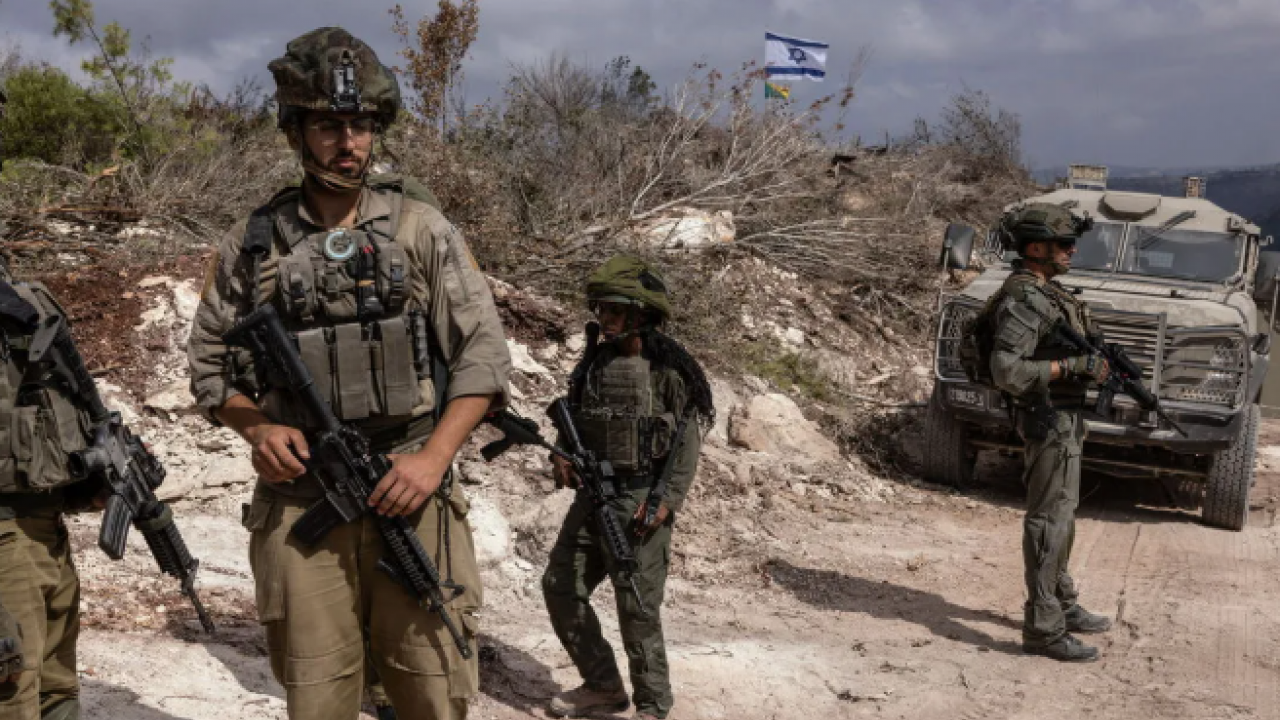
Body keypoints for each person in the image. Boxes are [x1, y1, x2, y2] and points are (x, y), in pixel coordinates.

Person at [186, 27, 511, 720]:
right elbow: (210, 369)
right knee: (319, 695)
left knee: (433, 687)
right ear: (296, 131)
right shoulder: (253, 243)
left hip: (409, 494)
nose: (348, 141)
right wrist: (257, 428)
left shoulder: (424, 230)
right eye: (329, 124)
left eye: (360, 124)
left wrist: (432, 458)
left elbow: (484, 358)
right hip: (303, 500)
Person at [542, 257, 714, 720]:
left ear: (641, 315)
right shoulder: (593, 365)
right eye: (602, 309)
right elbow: (576, 419)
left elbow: (685, 446)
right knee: (560, 586)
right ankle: (602, 686)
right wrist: (561, 453)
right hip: (592, 495)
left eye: (615, 311)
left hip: (640, 501)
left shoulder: (669, 372)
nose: (606, 319)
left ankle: (653, 705)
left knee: (637, 607)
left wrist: (664, 501)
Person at [989, 203, 1115, 662]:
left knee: (1063, 513)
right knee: (1047, 520)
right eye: (1063, 243)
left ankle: (1061, 599)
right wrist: (1072, 366)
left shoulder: (1049, 294)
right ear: (1035, 247)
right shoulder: (1024, 297)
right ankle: (1043, 627)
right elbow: (1006, 370)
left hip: (1062, 420)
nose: (1071, 250)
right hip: (1046, 420)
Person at [0, 262, 101, 720]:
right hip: (5, 538)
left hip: (43, 524)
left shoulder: (25, 298)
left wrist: (88, 480)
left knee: (56, 688)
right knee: (13, 694)